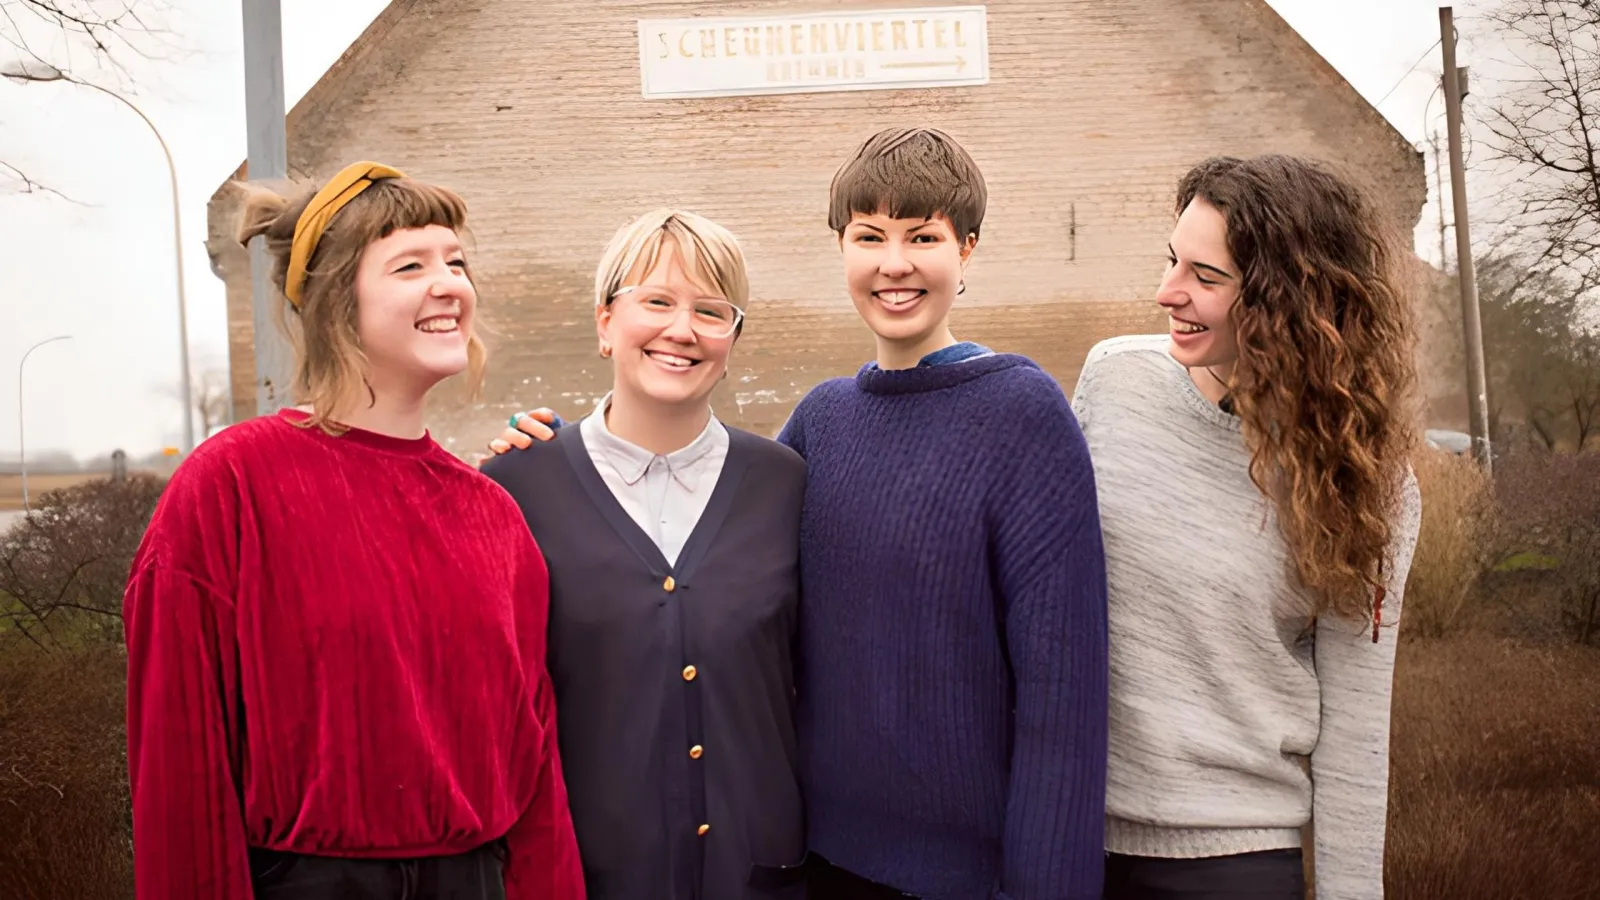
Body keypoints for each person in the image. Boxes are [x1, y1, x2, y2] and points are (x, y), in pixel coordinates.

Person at [490, 127, 1110, 900]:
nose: (894, 263)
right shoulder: (820, 425)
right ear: (841, 247)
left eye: (923, 237)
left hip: (965, 877)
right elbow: (715, 546)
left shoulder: (1022, 413)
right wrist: (547, 450)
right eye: (870, 236)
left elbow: (1065, 696)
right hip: (817, 863)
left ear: (969, 250)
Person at [122, 161, 584, 900]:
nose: (450, 285)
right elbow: (180, 771)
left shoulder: (493, 515)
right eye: (411, 265)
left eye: (456, 263)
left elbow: (534, 773)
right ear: (339, 301)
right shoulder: (230, 486)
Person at [1075, 154, 1422, 900]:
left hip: (1237, 864)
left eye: (1207, 277)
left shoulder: (1368, 483)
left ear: (1289, 303)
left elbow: (1357, 737)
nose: (1168, 293)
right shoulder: (1114, 380)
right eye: (1173, 261)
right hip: (1074, 844)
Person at [479, 209, 809, 900]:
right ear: (605, 322)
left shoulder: (787, 485)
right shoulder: (516, 488)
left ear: (734, 337)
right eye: (656, 301)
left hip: (758, 878)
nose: (681, 330)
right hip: (585, 879)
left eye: (711, 311)